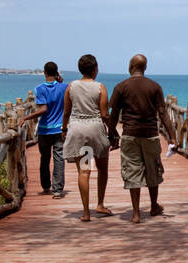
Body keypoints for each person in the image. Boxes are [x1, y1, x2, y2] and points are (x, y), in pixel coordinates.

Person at [108, 53, 175, 223]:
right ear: (144, 68)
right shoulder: (154, 86)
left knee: (132, 170)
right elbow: (163, 113)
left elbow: (113, 114)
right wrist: (173, 137)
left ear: (131, 67)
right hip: (151, 134)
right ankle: (153, 206)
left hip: (130, 134)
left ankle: (136, 213)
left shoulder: (121, 87)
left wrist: (112, 134)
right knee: (153, 169)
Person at [61, 54, 115, 222]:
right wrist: (113, 131)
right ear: (95, 69)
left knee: (84, 171)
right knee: (102, 168)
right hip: (95, 130)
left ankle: (86, 212)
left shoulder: (71, 86)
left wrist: (64, 129)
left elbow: (67, 112)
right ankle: (100, 204)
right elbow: (105, 114)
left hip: (78, 130)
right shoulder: (100, 87)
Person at [22, 61, 66, 197]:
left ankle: (46, 186)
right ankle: (58, 190)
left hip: (44, 130)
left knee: (45, 158)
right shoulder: (64, 87)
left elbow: (43, 109)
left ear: (44, 72)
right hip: (59, 129)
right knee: (59, 158)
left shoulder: (39, 89)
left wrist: (26, 117)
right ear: (57, 72)